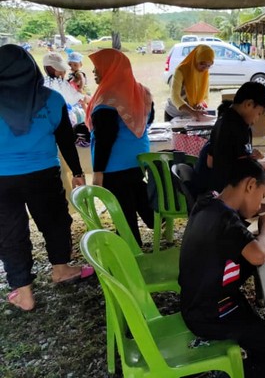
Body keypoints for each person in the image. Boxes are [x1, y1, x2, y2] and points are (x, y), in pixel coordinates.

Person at [0, 44, 94, 312]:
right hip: (43, 174)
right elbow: (65, 139)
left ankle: (24, 293)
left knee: (9, 233)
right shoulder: (52, 99)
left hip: (1, 178)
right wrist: (77, 172)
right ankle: (61, 269)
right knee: (55, 221)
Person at [180, 159, 265, 378]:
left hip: (198, 300)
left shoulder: (209, 201)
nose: (260, 206)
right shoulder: (226, 222)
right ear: (250, 185)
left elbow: (242, 216)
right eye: (262, 196)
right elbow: (258, 255)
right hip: (210, 313)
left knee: (263, 332)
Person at [195, 81, 265, 223]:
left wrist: (249, 156)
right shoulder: (236, 127)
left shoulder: (226, 119)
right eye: (258, 114)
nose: (256, 119)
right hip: (225, 193)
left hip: (221, 190)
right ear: (248, 104)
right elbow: (243, 171)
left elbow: (217, 161)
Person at [86, 48, 155, 246]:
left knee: (123, 210)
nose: (94, 72)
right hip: (138, 158)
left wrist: (98, 172)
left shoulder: (108, 98)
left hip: (115, 165)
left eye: (98, 68)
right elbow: (148, 120)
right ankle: (154, 220)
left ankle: (131, 249)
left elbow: (104, 139)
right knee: (134, 193)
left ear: (111, 69)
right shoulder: (142, 91)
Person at [164, 44, 214, 121]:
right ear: (196, 59)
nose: (204, 68)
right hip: (174, 114)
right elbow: (175, 96)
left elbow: (205, 96)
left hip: (191, 115)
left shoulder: (205, 73)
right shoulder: (181, 70)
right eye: (202, 64)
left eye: (208, 65)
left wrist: (201, 104)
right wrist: (192, 111)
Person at [42, 51, 87, 126]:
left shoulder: (44, 81)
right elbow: (75, 99)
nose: (64, 72)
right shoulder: (57, 84)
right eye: (61, 70)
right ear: (50, 69)